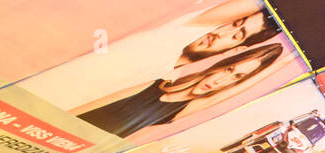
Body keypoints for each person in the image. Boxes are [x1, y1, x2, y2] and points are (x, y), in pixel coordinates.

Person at [77, 44, 285, 138]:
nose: (222, 80)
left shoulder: (182, 109)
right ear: (219, 65)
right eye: (229, 69)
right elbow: (89, 106)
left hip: (83, 148)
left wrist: (294, 54)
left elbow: (244, 86)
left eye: (235, 78)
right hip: (63, 131)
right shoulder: (156, 83)